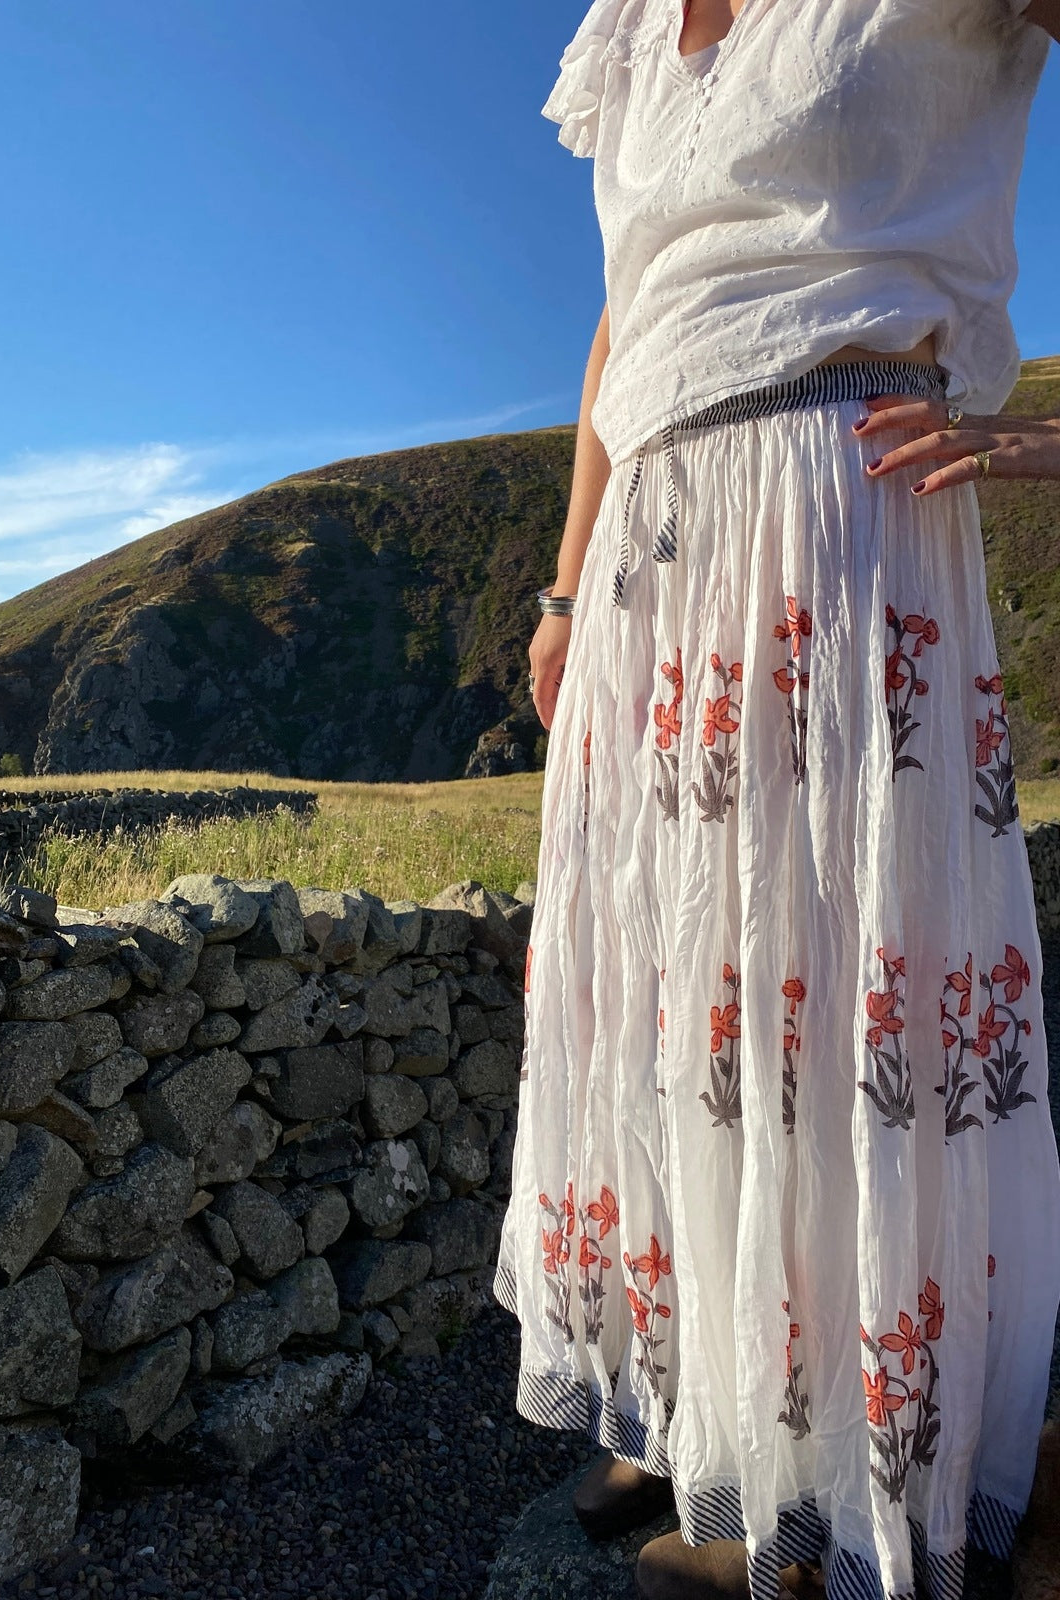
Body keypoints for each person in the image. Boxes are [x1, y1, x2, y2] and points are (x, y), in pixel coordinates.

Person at [491, 3, 1060, 1599]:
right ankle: (704, 1414)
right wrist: (557, 590)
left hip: (838, 506)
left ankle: (845, 1487)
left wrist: (1050, 438)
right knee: (673, 1005)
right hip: (643, 567)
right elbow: (627, 318)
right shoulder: (624, 31)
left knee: (815, 1012)